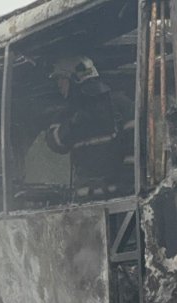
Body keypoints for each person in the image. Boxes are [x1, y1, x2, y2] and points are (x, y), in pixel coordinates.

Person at [46, 56, 134, 197]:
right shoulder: (68, 113)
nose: (58, 84)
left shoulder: (119, 105)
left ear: (75, 79)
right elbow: (54, 143)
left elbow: (137, 146)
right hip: (85, 201)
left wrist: (126, 182)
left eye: (61, 79)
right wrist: (73, 124)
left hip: (121, 197)